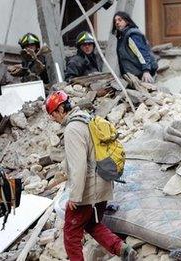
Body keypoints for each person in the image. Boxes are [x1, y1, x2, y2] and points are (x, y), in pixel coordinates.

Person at [45, 91, 137, 261]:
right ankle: (122, 249)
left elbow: (79, 166)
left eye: (52, 114)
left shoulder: (72, 129)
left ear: (60, 109)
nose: (52, 119)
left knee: (71, 235)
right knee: (91, 224)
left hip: (88, 191)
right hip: (104, 184)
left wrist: (74, 196)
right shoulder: (86, 118)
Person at [112, 11, 158, 83]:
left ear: (127, 21)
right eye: (115, 21)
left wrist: (146, 71)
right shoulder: (122, 37)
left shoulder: (132, 34)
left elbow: (142, 52)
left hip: (141, 75)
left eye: (120, 20)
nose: (117, 23)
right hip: (133, 76)